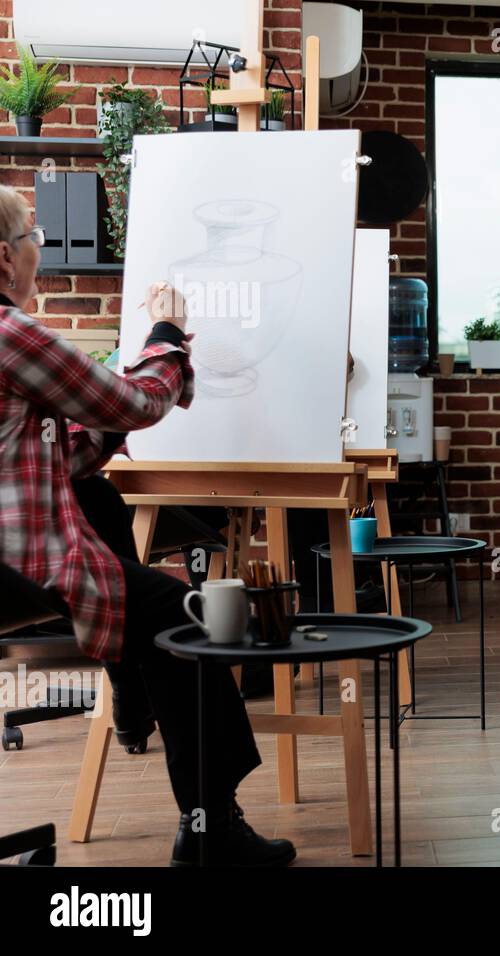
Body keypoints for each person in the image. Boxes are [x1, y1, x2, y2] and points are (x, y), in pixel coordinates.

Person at [0, 185, 293, 866]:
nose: (39, 252)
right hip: (16, 571)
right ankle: (210, 829)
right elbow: (134, 400)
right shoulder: (10, 334)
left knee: (105, 520)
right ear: (4, 259)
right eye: (32, 240)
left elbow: (31, 456)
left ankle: (133, 687)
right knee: (187, 617)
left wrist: (100, 434)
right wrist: (165, 335)